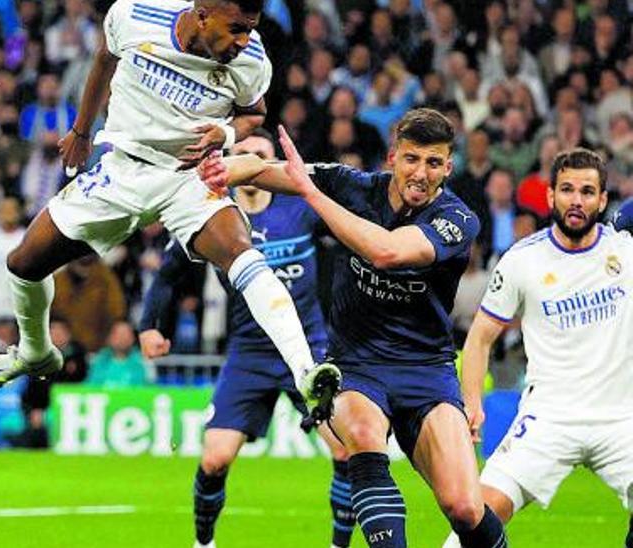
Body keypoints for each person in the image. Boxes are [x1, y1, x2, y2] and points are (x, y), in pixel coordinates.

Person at [0, 0, 340, 426]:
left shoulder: (253, 59)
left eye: (250, 29)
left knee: (242, 252)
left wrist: (226, 132)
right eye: (236, 28)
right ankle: (35, 351)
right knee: (23, 263)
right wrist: (81, 131)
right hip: (123, 168)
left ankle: (306, 370)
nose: (244, 40)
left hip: (188, 177)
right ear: (202, 15)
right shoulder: (135, 15)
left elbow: (255, 113)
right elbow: (105, 56)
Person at [199, 108, 507, 547]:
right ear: (392, 158)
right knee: (361, 437)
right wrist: (219, 168)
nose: (421, 173)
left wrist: (313, 196)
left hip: (426, 370)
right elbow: (264, 169)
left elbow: (387, 252)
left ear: (449, 167)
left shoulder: (458, 219)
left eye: (434, 163)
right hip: (356, 364)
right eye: (412, 159)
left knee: (464, 507)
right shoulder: (354, 186)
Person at [140, 132, 356, 548]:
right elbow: (169, 273)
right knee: (215, 459)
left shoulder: (300, 207)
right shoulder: (210, 215)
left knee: (346, 449)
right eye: (240, 154)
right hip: (249, 352)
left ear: (272, 164)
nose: (250, 161)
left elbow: (351, 239)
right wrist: (153, 323)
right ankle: (204, 544)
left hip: (308, 347)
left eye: (259, 155)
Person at [444, 149, 633, 547]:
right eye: (566, 190)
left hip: (621, 421)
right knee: (473, 518)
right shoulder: (522, 260)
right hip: (549, 419)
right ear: (550, 198)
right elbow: (479, 337)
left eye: (587, 191)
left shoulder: (625, 251)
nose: (576, 200)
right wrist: (472, 402)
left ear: (602, 200)